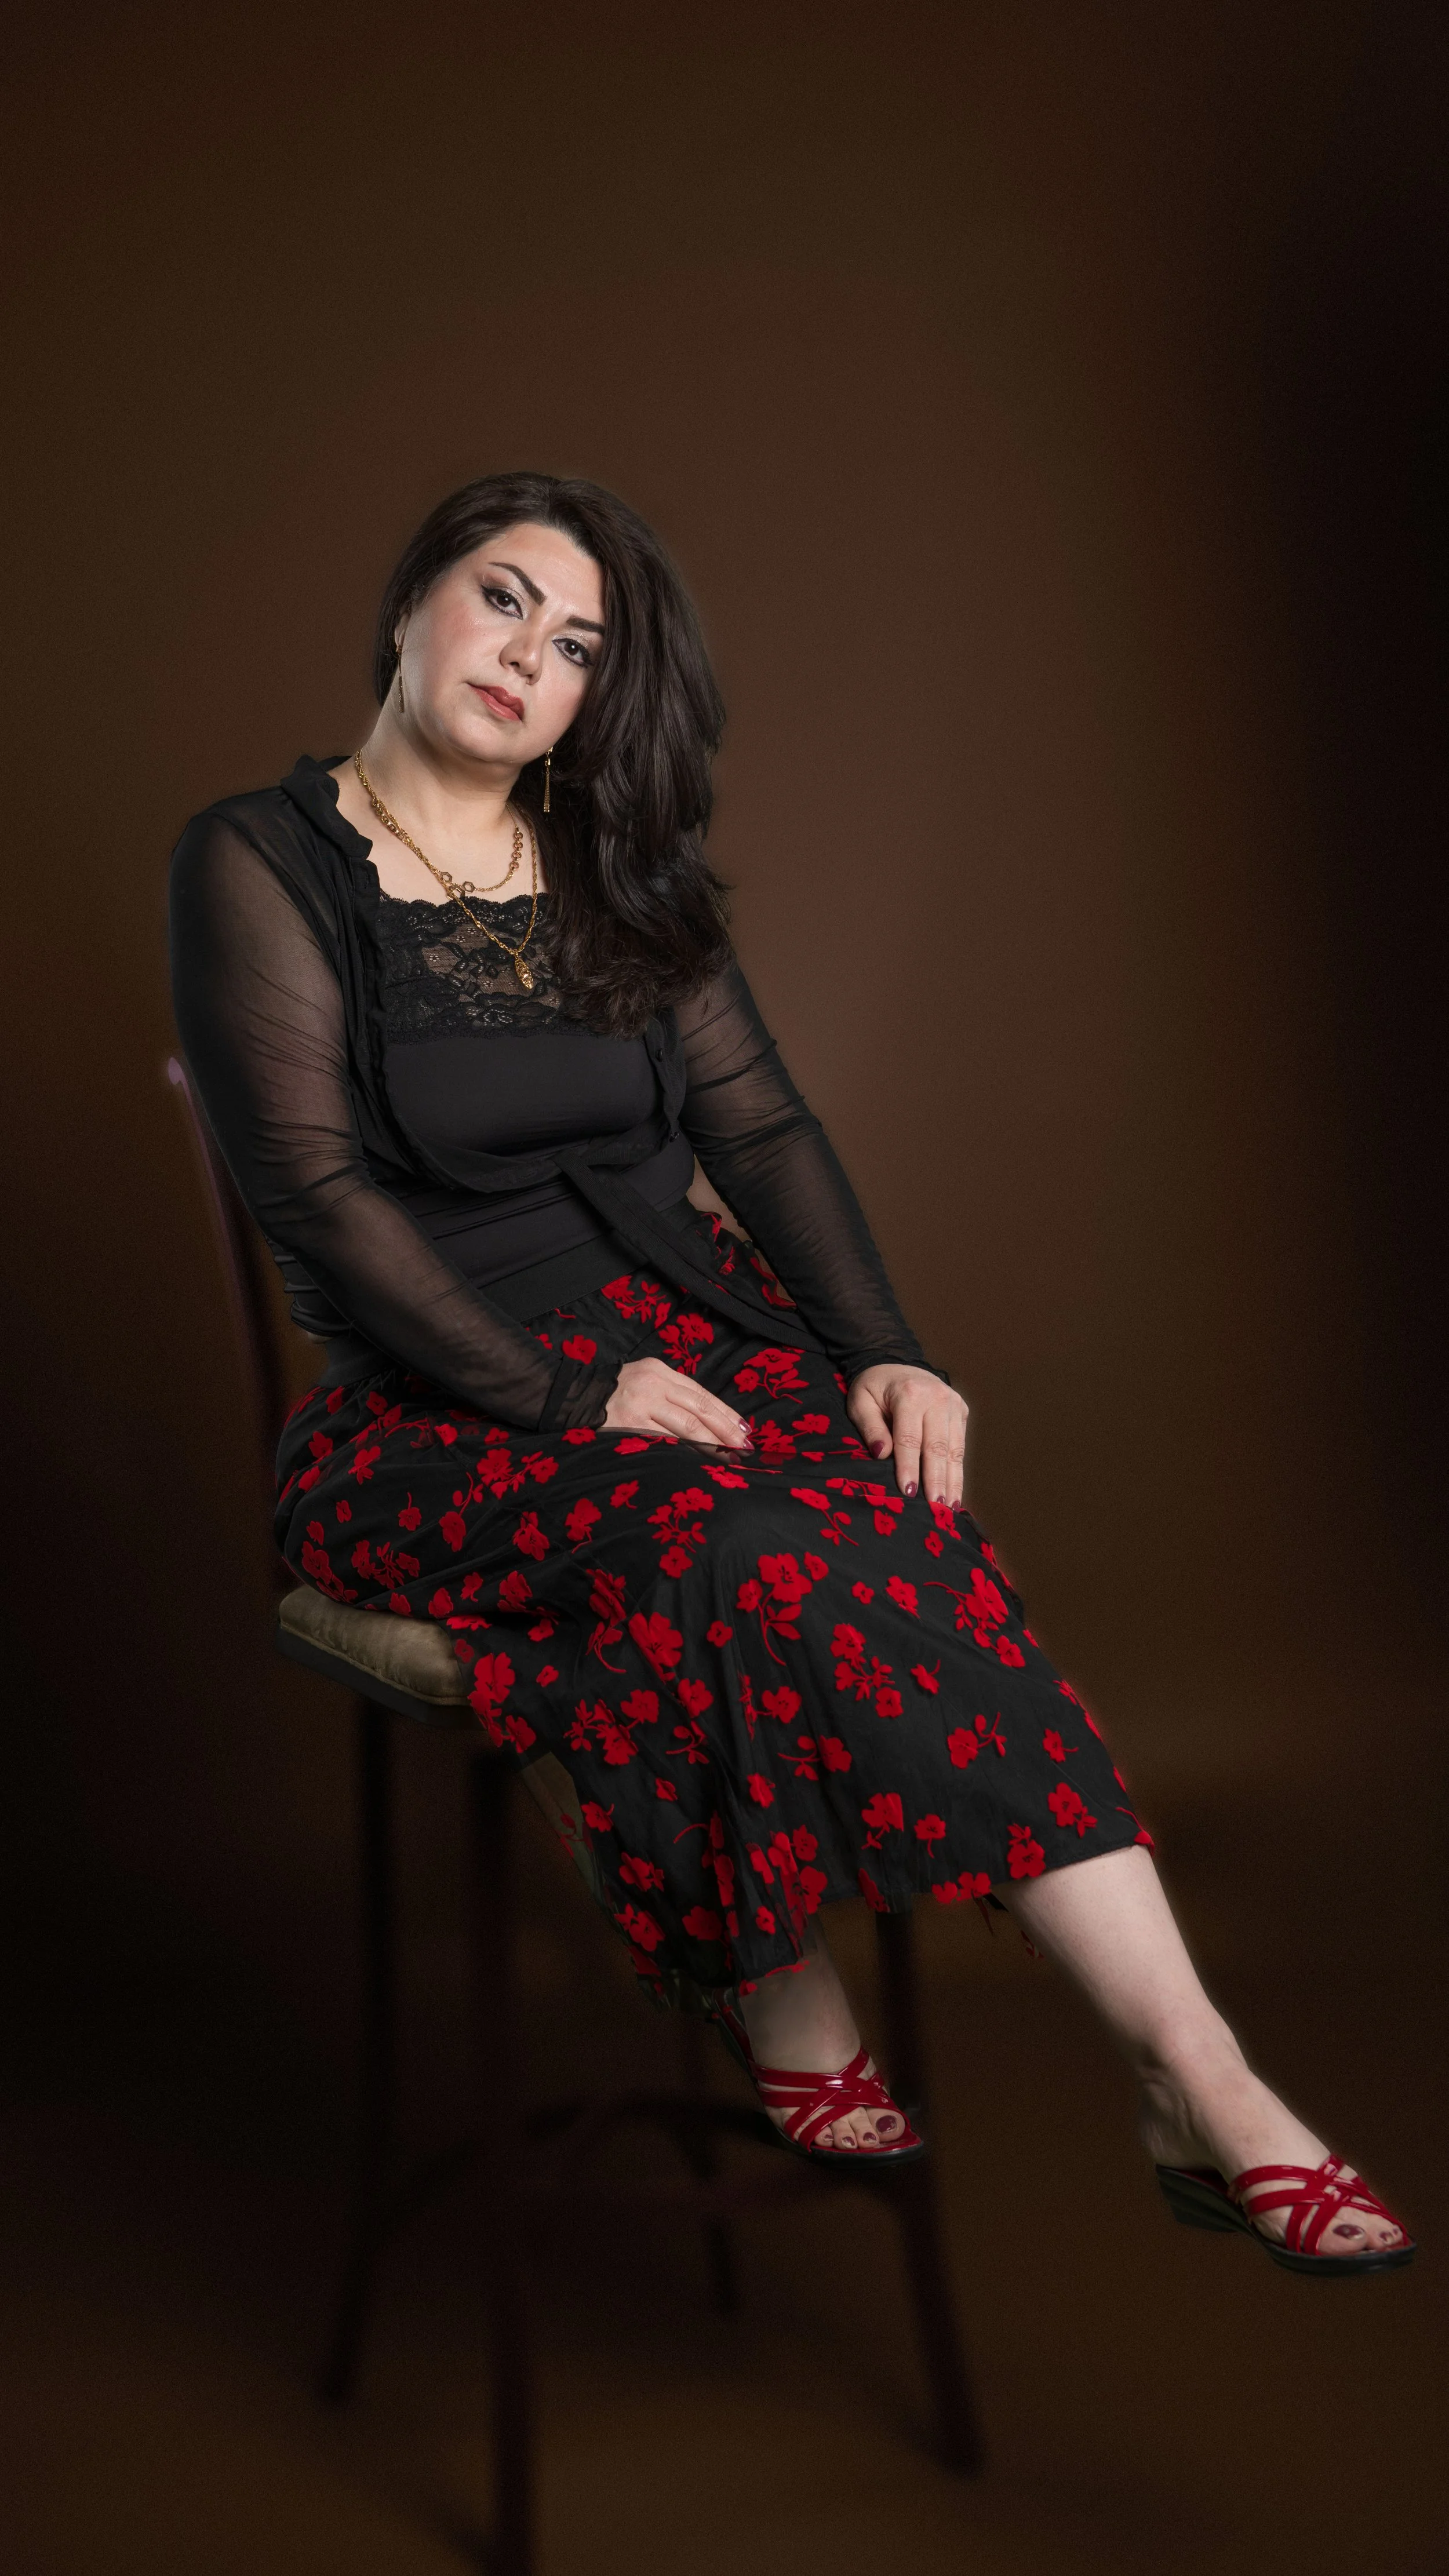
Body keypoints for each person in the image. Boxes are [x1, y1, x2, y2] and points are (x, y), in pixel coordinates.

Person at [170, 471, 1410, 2267]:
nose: (532, 658)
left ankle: (1196, 2074)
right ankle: (780, 1977)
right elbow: (314, 1190)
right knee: (725, 1550)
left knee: (901, 1533)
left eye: (580, 644)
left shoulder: (610, 873)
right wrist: (563, 1396)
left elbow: (754, 1125)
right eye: (506, 598)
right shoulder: (259, 859)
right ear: (415, 597)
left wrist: (884, 1351)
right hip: (430, 1409)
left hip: (688, 1348)